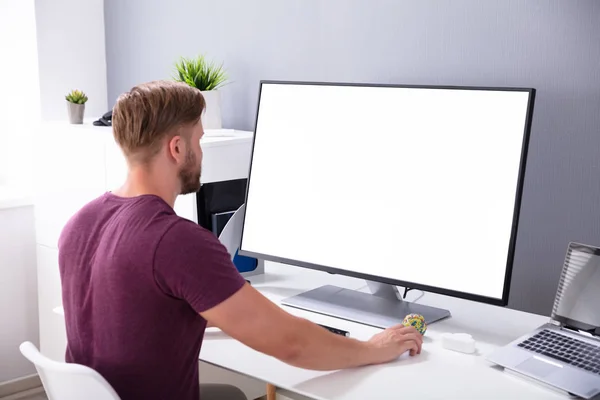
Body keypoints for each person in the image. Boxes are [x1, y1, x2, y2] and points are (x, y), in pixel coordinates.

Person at [58, 80, 423, 400]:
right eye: (198, 140)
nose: (200, 153)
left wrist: (242, 311)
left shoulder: (79, 223)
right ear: (177, 149)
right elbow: (291, 344)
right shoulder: (175, 241)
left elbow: (133, 315)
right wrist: (372, 348)